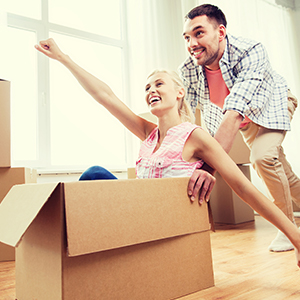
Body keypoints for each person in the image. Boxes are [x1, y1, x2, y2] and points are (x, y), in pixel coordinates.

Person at [34, 38, 300, 267]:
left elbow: (245, 189)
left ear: (179, 93)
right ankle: (68, 253)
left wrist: (295, 237)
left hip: (164, 223)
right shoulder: (147, 133)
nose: (151, 90)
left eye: (159, 84)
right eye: (147, 88)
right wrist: (63, 58)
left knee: (93, 174)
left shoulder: (196, 137)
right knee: (95, 175)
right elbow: (106, 96)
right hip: (137, 213)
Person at [179, 3, 300, 253]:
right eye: (187, 37)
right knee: (282, 173)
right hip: (246, 119)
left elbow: (234, 111)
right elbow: (189, 119)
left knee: (262, 158)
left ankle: (289, 230)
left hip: (273, 103)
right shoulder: (188, 70)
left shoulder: (250, 50)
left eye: (199, 33)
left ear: (221, 32)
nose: (191, 43)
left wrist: (209, 168)